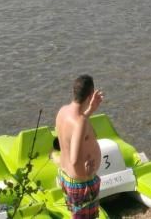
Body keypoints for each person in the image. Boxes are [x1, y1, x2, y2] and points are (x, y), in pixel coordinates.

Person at [55, 75, 105, 219]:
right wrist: (87, 173)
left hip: (66, 177)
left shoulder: (63, 111)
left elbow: (72, 132)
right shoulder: (80, 122)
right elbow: (75, 159)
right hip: (81, 183)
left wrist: (90, 110)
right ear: (90, 94)